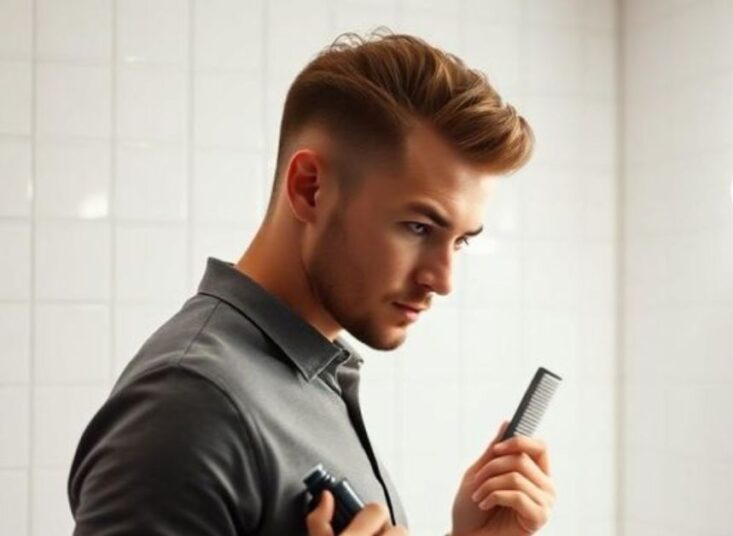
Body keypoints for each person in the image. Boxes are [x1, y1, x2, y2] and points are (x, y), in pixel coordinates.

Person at [68, 31, 555, 536]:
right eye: (418, 228)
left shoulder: (303, 377)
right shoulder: (188, 406)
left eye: (460, 241)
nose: (443, 279)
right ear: (310, 188)